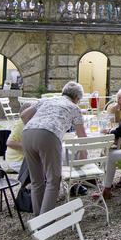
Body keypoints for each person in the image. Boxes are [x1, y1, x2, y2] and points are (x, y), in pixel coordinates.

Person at [20, 81, 89, 215]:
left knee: (36, 181)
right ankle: (45, 222)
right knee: (53, 180)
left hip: (28, 134)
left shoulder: (46, 100)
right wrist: (83, 154)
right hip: (49, 135)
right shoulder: (74, 107)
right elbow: (82, 136)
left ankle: (37, 219)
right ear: (77, 98)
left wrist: (36, 125)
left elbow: (23, 115)